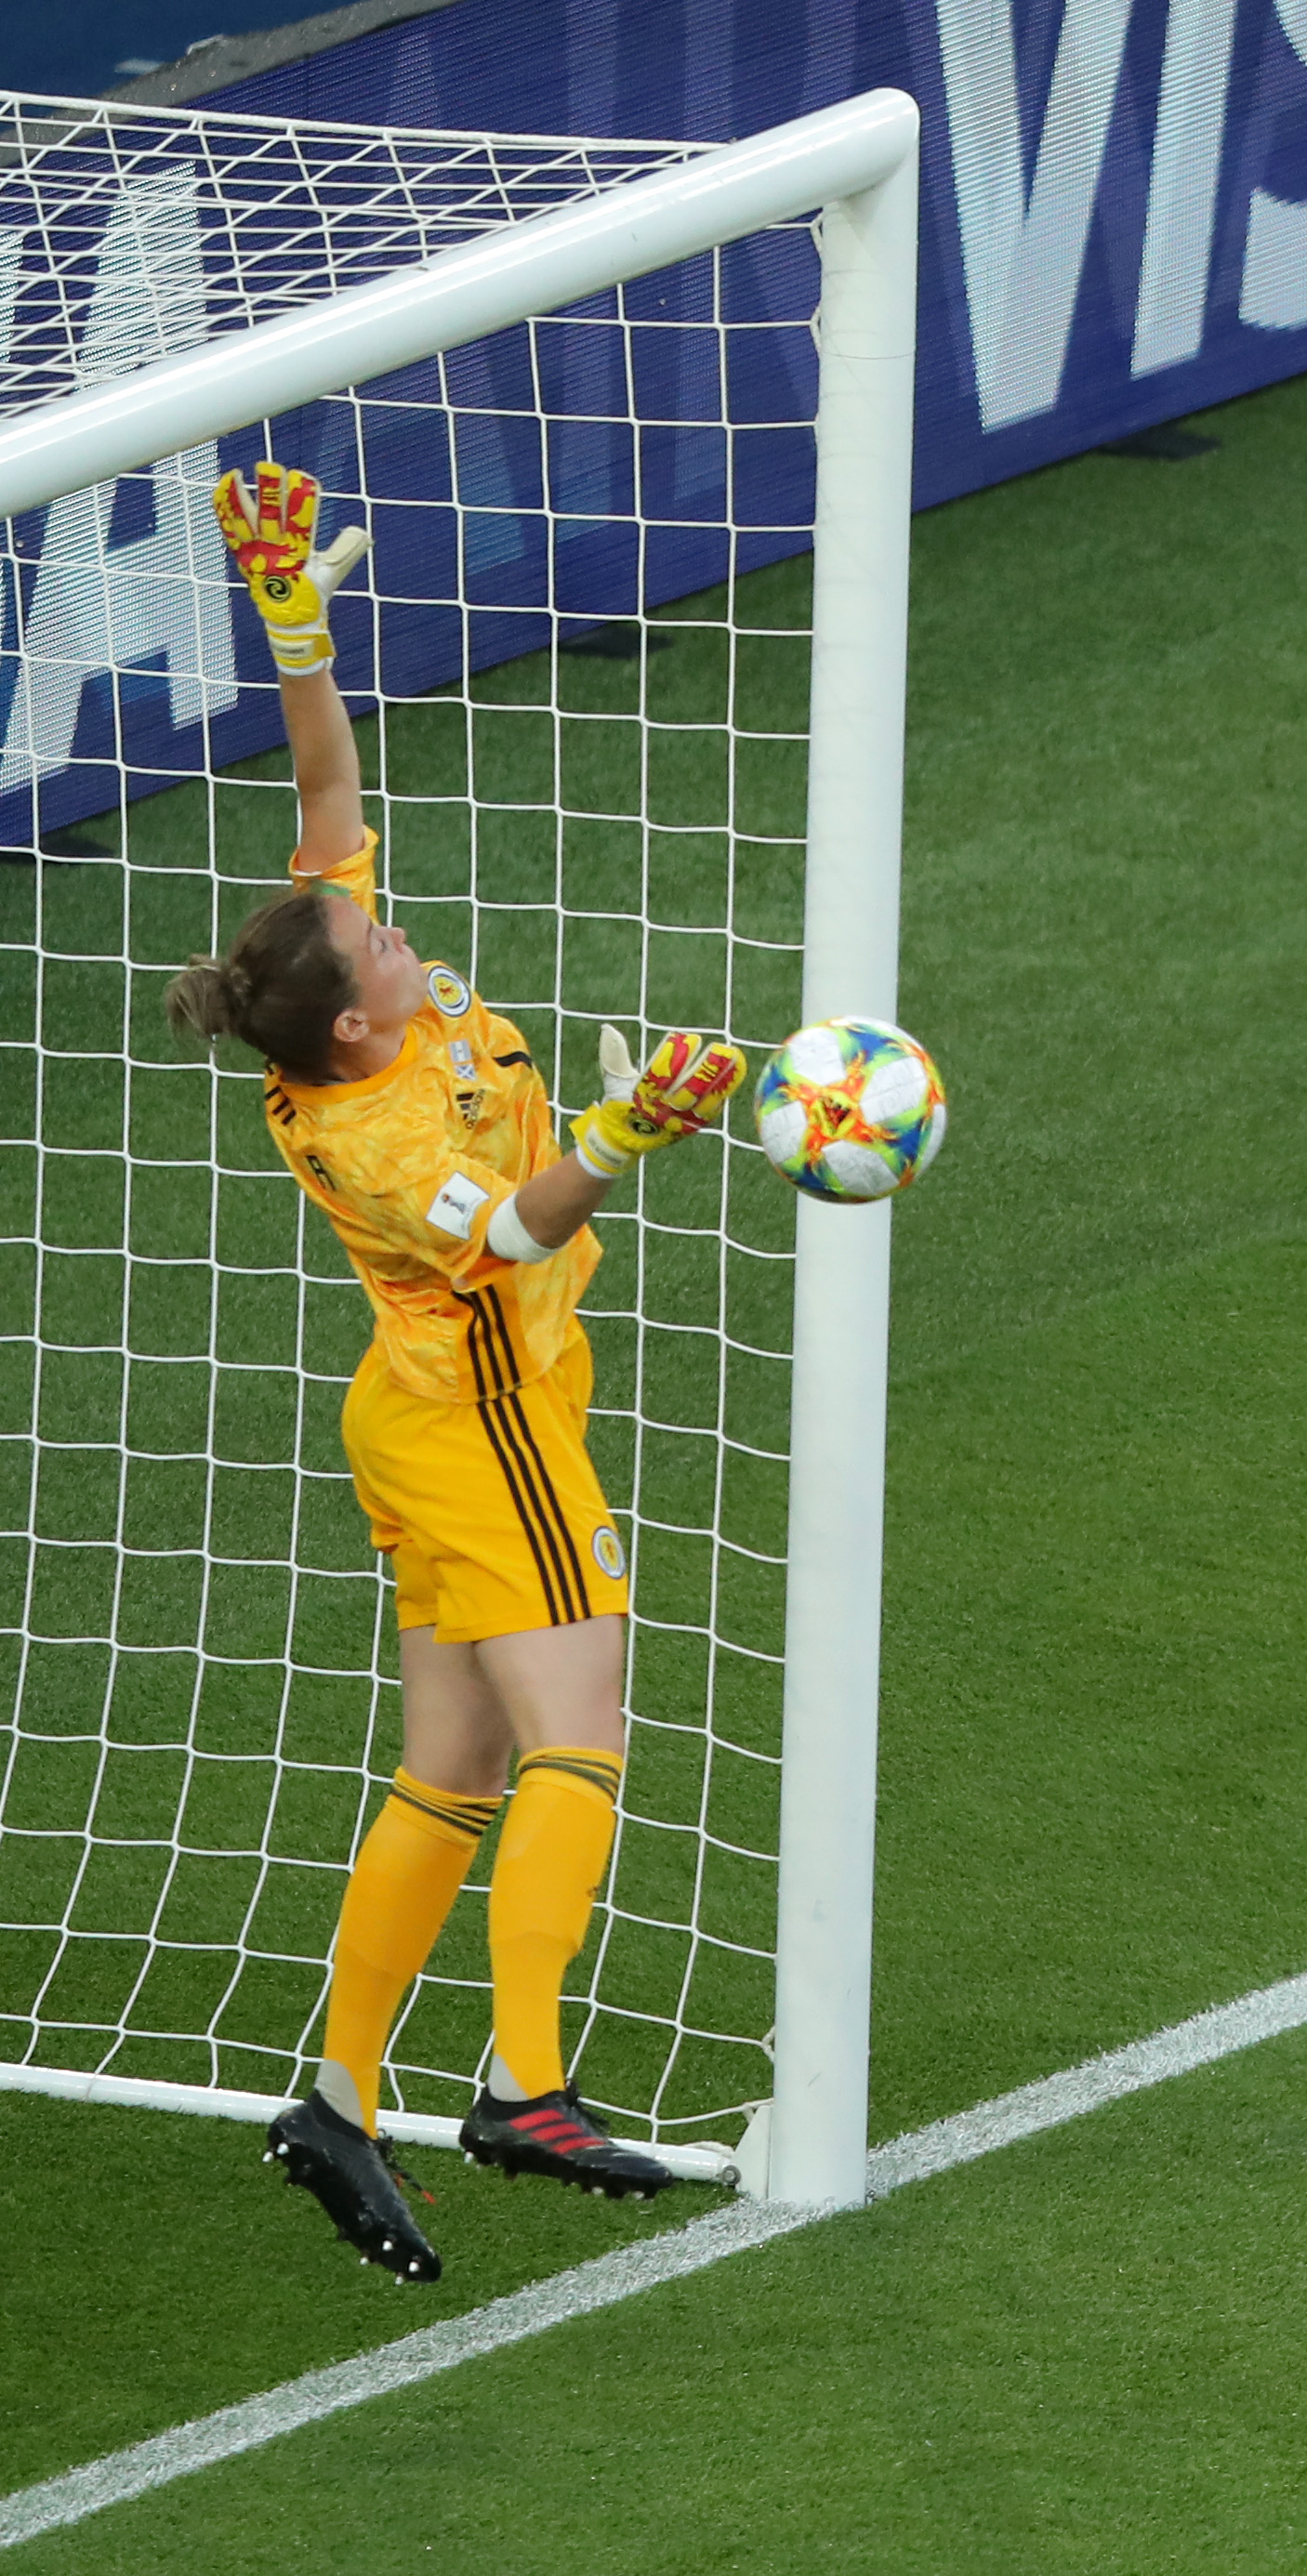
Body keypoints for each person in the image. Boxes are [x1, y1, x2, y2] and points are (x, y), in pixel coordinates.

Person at [167, 463, 750, 2280]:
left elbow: (327, 794)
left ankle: (337, 2097)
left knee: (454, 1770)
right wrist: (634, 1125)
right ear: (356, 1020)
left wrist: (292, 626)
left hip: (420, 1420)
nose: (402, 929)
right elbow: (508, 1233)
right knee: (584, 1732)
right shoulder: (377, 1142)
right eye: (384, 942)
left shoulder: (344, 1024)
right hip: (482, 1422)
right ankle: (528, 2083)